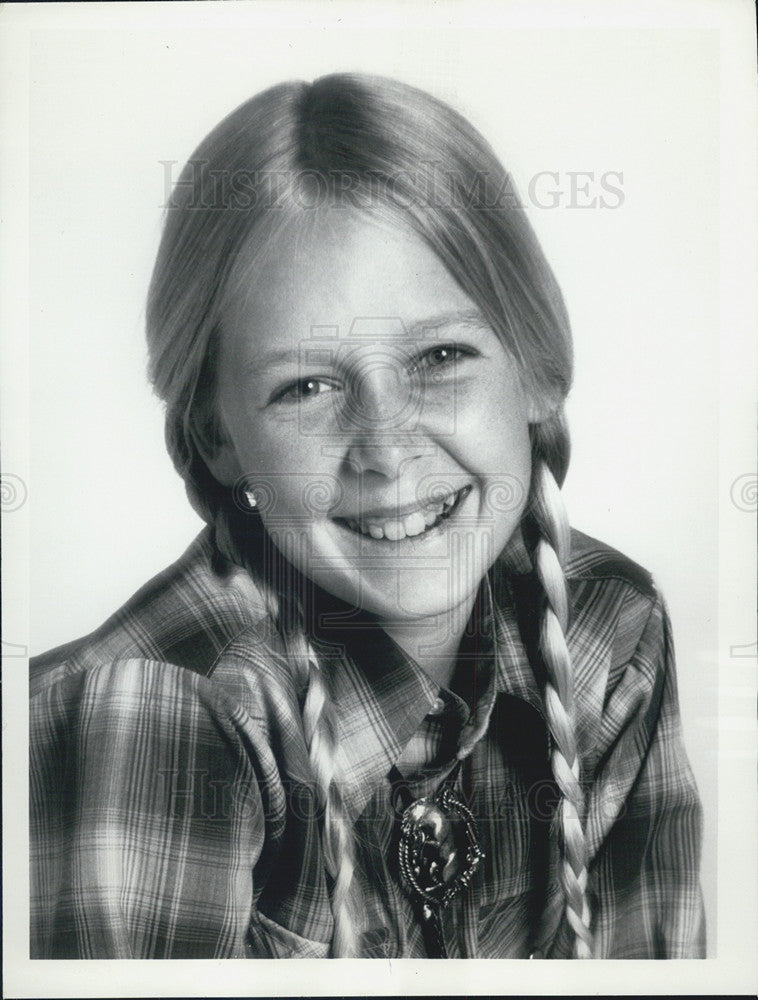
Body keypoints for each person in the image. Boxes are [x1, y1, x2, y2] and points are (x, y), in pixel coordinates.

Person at [29, 73, 705, 959]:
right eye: (306, 386)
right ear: (218, 436)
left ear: (537, 370)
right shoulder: (163, 706)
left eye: (439, 356)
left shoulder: (608, 633)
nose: (385, 448)